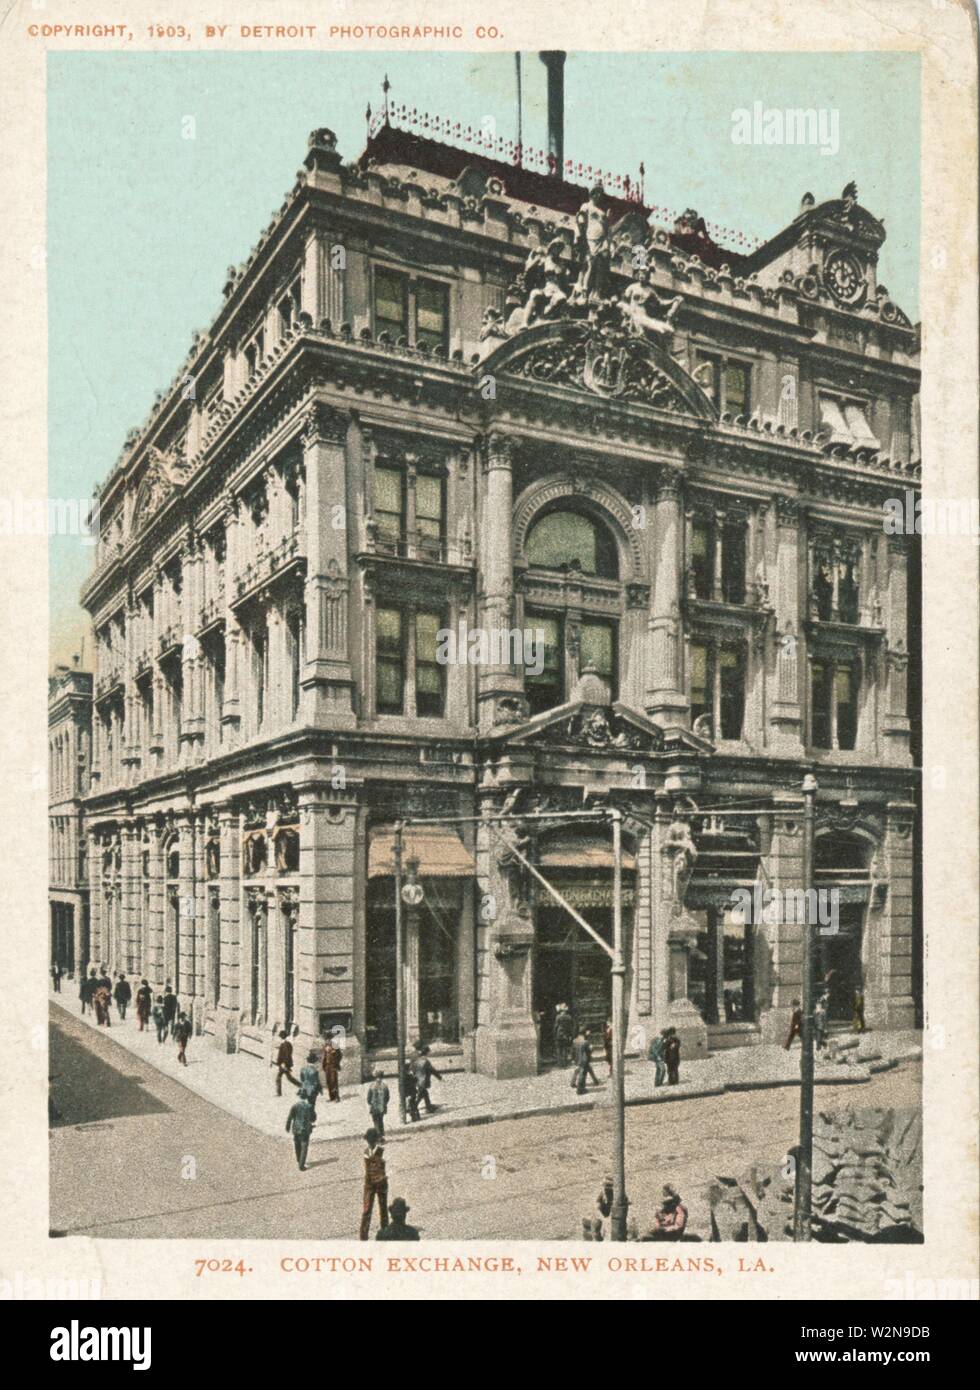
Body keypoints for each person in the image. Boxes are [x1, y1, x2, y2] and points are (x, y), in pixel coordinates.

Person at [360, 1128, 389, 1241]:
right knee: (367, 1210)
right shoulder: (366, 1152)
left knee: (383, 1208)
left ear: (376, 1141)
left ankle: (385, 1231)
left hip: (380, 1183)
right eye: (369, 1141)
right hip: (369, 1184)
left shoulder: (381, 1151)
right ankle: (363, 1236)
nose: (370, 1143)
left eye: (371, 1141)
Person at [285, 1094, 316, 1171]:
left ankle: (299, 1159)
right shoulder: (309, 1106)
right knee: (304, 1147)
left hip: (296, 1129)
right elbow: (313, 1118)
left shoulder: (294, 1106)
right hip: (305, 1130)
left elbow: (289, 1118)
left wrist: (287, 1127)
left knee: (297, 1145)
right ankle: (301, 1165)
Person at [412, 1043, 443, 1115]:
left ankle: (429, 1107)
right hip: (423, 1081)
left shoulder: (417, 1060)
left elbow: (413, 1069)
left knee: (425, 1094)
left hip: (418, 1080)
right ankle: (413, 1107)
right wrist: (440, 1077)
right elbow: (433, 1070)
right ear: (427, 1053)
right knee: (420, 1095)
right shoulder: (426, 1061)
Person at [571, 1027, 599, 1095]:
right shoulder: (585, 1042)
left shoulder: (574, 1041)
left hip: (577, 1059)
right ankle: (580, 1090)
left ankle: (572, 1083)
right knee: (582, 1075)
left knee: (577, 1070)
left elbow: (572, 1051)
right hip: (584, 1060)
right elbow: (589, 1051)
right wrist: (592, 1049)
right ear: (584, 1033)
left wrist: (573, 1059)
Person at [367, 1068, 390, 1138]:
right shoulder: (385, 1086)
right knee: (380, 1120)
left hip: (374, 1106)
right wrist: (385, 1103)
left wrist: (370, 1103)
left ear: (375, 1077)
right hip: (382, 1107)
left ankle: (378, 1136)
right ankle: (381, 1135)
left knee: (375, 1122)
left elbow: (368, 1097)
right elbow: (387, 1097)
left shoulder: (371, 1086)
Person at [274, 1031, 298, 1096]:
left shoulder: (286, 1044)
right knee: (290, 1078)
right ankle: (302, 1087)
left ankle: (279, 1093)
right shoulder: (284, 1044)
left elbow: (287, 1055)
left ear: (282, 1037)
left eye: (280, 1037)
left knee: (279, 1078)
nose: (279, 1038)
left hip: (284, 1064)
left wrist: (284, 1063)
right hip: (283, 1064)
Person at [321, 1035, 343, 1103]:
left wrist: (336, 1061)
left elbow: (340, 1055)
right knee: (328, 1081)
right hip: (327, 1066)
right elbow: (324, 1056)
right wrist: (324, 1065)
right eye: (326, 1039)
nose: (327, 1041)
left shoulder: (335, 1046)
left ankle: (337, 1097)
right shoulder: (324, 1046)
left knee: (334, 1081)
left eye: (328, 1039)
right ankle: (331, 1097)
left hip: (333, 1066)